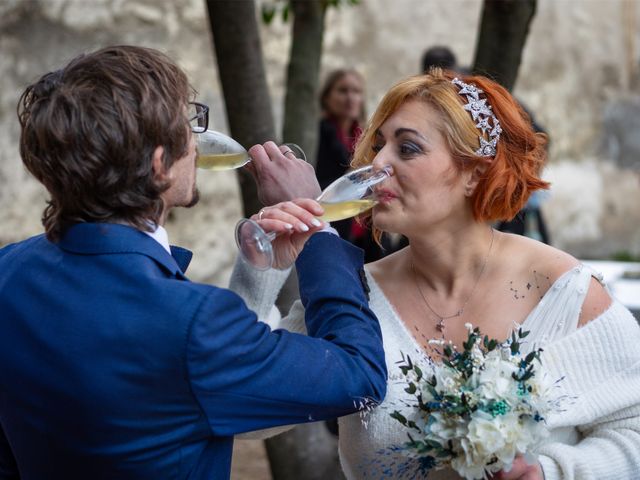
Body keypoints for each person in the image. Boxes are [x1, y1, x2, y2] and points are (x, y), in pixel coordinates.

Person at [0, 45, 388, 480]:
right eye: (189, 125)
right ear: (159, 164)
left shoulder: (8, 272)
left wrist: (259, 270)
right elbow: (360, 375)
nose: (199, 140)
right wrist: (319, 228)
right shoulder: (192, 322)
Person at [232, 69, 640, 479]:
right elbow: (244, 407)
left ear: (475, 173)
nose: (378, 163)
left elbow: (633, 431)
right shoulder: (354, 298)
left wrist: (551, 473)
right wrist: (262, 267)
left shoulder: (561, 291)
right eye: (378, 146)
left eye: (407, 148)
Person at [316, 69, 406, 261]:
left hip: (367, 229)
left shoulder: (371, 136)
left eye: (356, 92)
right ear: (326, 97)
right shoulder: (318, 135)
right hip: (334, 225)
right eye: (343, 91)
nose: (350, 98)